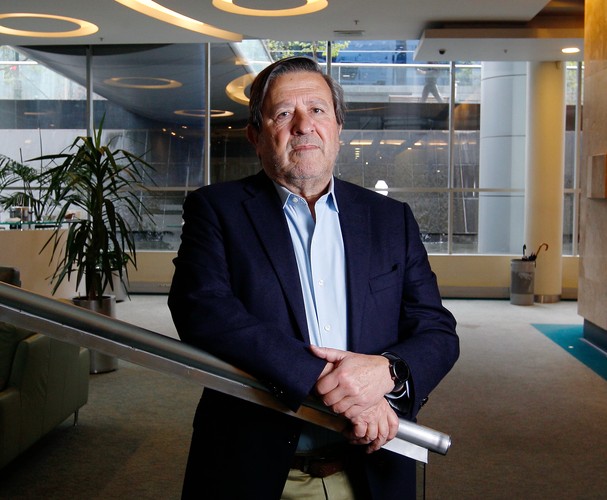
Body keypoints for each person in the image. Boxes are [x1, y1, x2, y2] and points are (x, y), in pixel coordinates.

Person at [168, 56, 459, 500]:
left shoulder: (390, 218)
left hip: (372, 468)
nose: (304, 125)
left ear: (338, 128)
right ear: (256, 136)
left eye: (318, 110)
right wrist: (331, 382)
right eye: (284, 113)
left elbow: (436, 330)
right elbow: (203, 311)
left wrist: (389, 372)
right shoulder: (216, 210)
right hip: (255, 471)